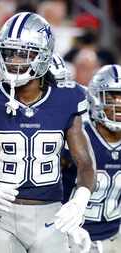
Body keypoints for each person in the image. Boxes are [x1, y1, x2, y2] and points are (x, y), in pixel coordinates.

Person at [0, 12, 95, 253]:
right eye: (9, 52)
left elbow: (85, 163)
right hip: (3, 216)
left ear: (43, 54)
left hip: (50, 214)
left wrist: (79, 200)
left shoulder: (68, 98)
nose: (14, 60)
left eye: (23, 53)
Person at [62, 65, 121, 253]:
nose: (118, 104)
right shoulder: (77, 133)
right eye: (112, 95)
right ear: (96, 97)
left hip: (113, 235)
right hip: (69, 235)